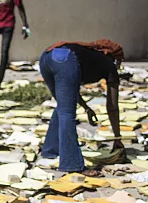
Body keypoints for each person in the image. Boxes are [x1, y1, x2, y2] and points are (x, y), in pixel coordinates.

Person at [38, 39, 124, 174]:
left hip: (47, 57)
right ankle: (72, 165)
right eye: (119, 61)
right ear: (113, 56)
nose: (119, 65)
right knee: (67, 113)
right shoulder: (109, 64)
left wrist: (87, 108)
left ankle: (50, 150)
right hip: (65, 60)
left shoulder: (88, 54)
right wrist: (118, 138)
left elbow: (70, 91)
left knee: (62, 107)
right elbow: (112, 106)